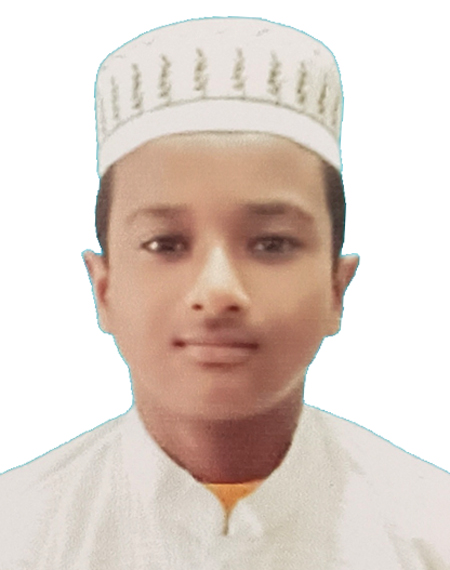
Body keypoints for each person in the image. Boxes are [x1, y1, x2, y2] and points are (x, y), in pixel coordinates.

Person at [0, 17, 449, 569]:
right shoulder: (19, 534)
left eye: (271, 244)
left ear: (338, 287)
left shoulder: (429, 532)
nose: (217, 291)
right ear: (103, 287)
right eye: (166, 244)